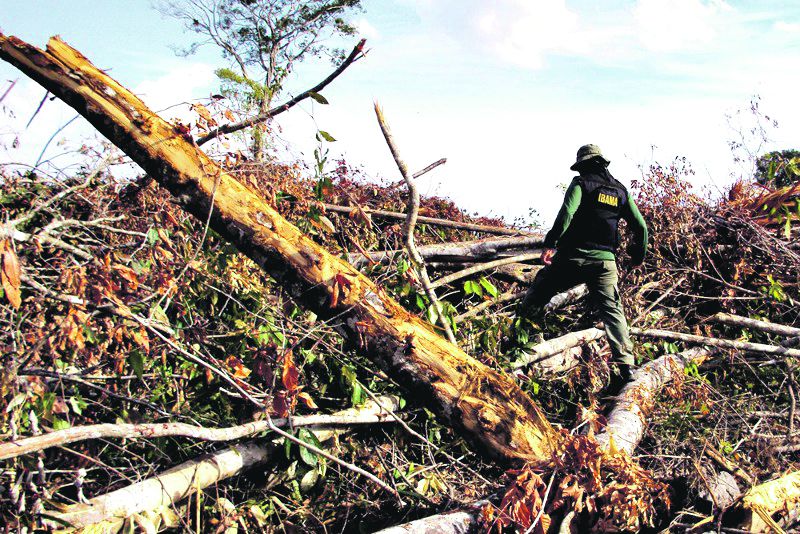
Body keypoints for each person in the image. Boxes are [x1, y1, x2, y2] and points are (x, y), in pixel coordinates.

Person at [517, 144, 648, 395]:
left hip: (572, 258)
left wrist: (550, 244)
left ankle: (520, 339)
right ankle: (626, 365)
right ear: (602, 163)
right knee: (612, 310)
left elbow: (567, 213)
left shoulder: (580, 184)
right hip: (604, 263)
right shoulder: (620, 191)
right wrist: (637, 256)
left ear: (583, 165)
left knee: (539, 290)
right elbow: (640, 227)